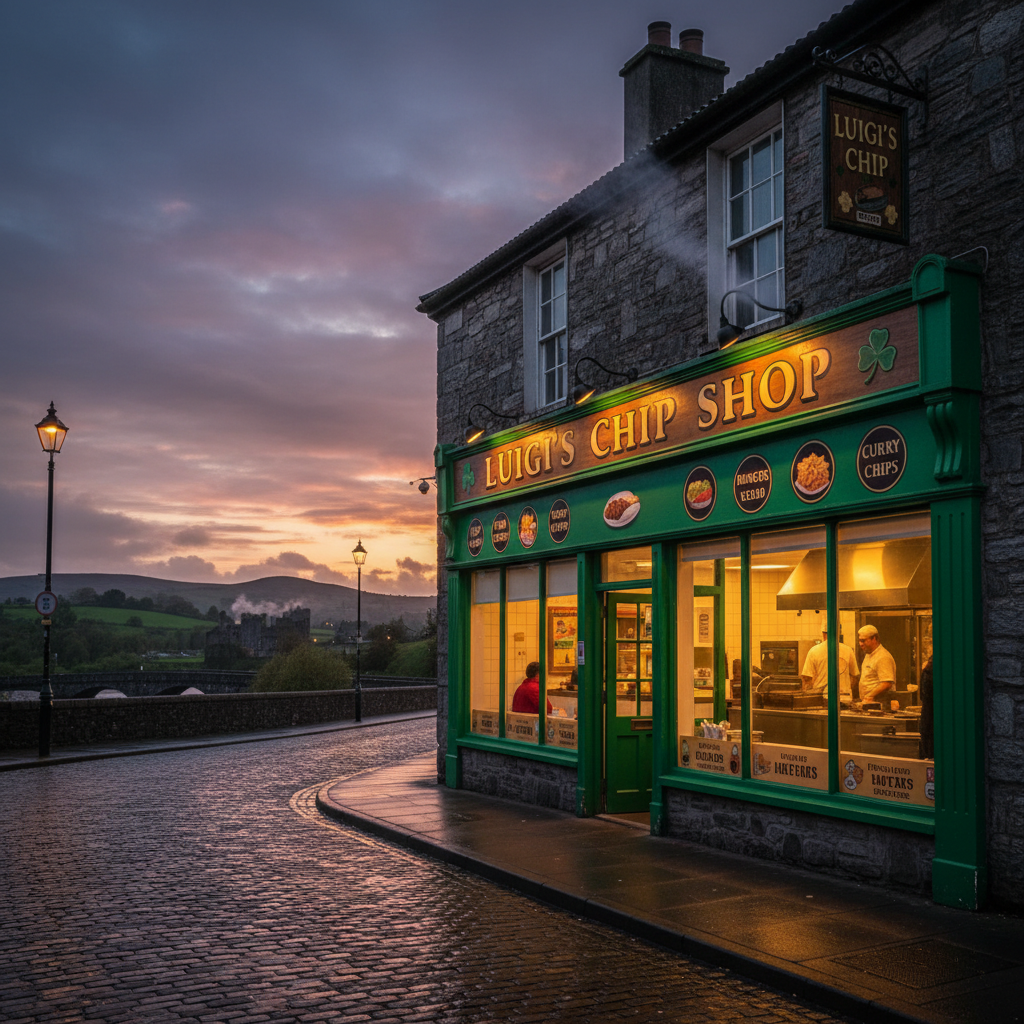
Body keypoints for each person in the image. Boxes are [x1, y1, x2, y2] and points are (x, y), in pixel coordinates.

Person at [800, 626, 860, 698]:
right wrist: (845, 689)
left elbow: (807, 679)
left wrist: (810, 696)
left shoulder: (814, 650)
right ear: (839, 633)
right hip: (844, 697)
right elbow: (855, 677)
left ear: (823, 633)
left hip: (821, 698)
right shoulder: (848, 650)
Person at [857, 625, 896, 702]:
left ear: (874, 639)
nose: (861, 644)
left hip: (880, 703)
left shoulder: (883, 657)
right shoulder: (868, 654)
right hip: (869, 703)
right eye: (860, 641)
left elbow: (886, 683)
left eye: (863, 640)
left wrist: (869, 695)